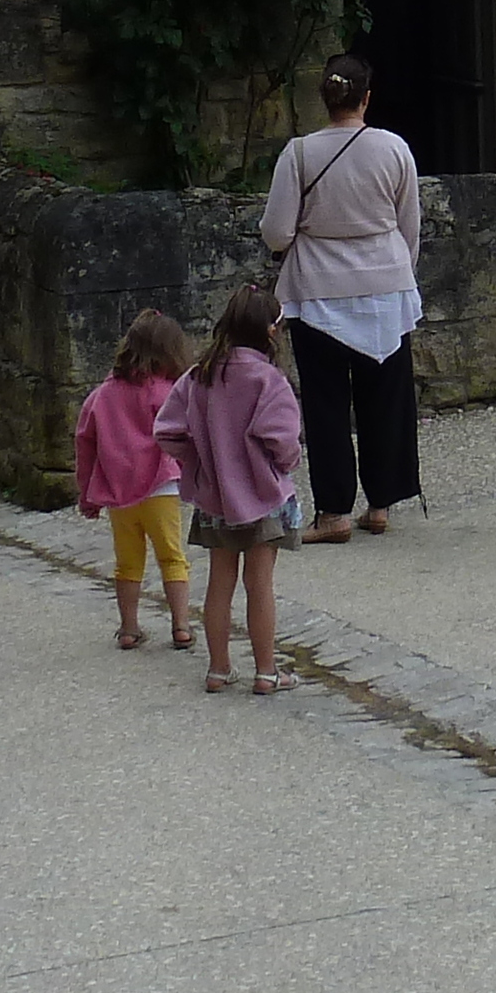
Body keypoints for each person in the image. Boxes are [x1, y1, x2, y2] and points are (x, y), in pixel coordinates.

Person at [262, 53, 422, 546]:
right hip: (385, 288)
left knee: (327, 405)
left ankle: (333, 510)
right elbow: (408, 224)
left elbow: (276, 232)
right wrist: (398, 271)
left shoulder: (300, 154)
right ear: (366, 97)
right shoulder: (394, 149)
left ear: (325, 99)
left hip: (319, 290)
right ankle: (381, 502)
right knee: (387, 397)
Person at [156, 283, 300, 696]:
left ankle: (218, 668)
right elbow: (282, 439)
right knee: (260, 585)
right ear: (271, 332)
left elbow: (166, 431)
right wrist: (283, 465)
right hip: (263, 497)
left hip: (215, 497)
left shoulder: (199, 375)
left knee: (220, 582)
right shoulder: (268, 380)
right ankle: (266, 671)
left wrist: (198, 459)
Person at [74, 310, 197, 654]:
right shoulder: (168, 392)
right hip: (162, 487)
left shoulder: (101, 396)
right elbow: (186, 436)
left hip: (118, 495)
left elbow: (84, 444)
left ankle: (129, 628)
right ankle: (181, 626)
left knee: (127, 563)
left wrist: (88, 494)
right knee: (172, 557)